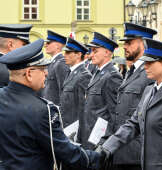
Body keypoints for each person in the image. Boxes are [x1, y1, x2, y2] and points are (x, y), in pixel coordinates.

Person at [0, 39, 101, 170]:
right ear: (29, 74)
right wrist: (96, 157)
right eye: (42, 69)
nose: (46, 73)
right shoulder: (42, 110)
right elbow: (65, 151)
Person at [99, 38, 162, 170]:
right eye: (145, 62)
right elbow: (133, 125)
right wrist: (106, 148)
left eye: (150, 62)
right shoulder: (149, 90)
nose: (145, 66)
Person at [108, 23, 157, 170]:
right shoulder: (133, 70)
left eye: (129, 43)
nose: (124, 46)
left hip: (136, 153)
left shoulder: (150, 73)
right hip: (122, 149)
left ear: (143, 43)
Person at [78, 32, 123, 150]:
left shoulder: (112, 76)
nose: (90, 55)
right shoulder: (98, 73)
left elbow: (115, 114)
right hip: (89, 136)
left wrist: (105, 143)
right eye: (91, 51)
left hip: (99, 141)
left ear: (107, 52)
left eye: (95, 51)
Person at [60, 38, 92, 129]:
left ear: (78, 54)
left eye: (68, 52)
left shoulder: (84, 76)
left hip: (74, 128)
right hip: (66, 125)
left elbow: (83, 109)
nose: (64, 55)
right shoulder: (70, 72)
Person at [43, 30, 69, 105]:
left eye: (48, 43)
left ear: (57, 45)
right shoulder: (52, 62)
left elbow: (63, 90)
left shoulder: (61, 63)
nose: (45, 45)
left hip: (56, 108)